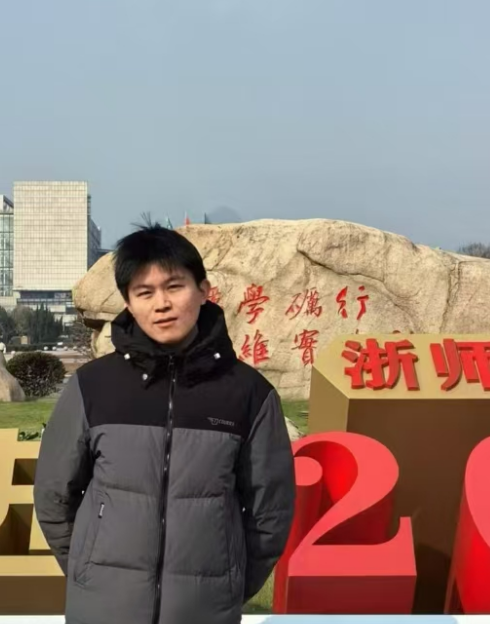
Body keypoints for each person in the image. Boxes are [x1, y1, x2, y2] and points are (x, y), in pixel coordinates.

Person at [33, 223, 295, 624]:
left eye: (175, 287)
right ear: (128, 302)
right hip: (103, 609)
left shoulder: (248, 394)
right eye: (145, 292)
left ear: (203, 290)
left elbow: (270, 510)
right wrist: (87, 573)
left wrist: (228, 586)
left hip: (203, 611)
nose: (162, 304)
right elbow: (54, 494)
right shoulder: (92, 386)